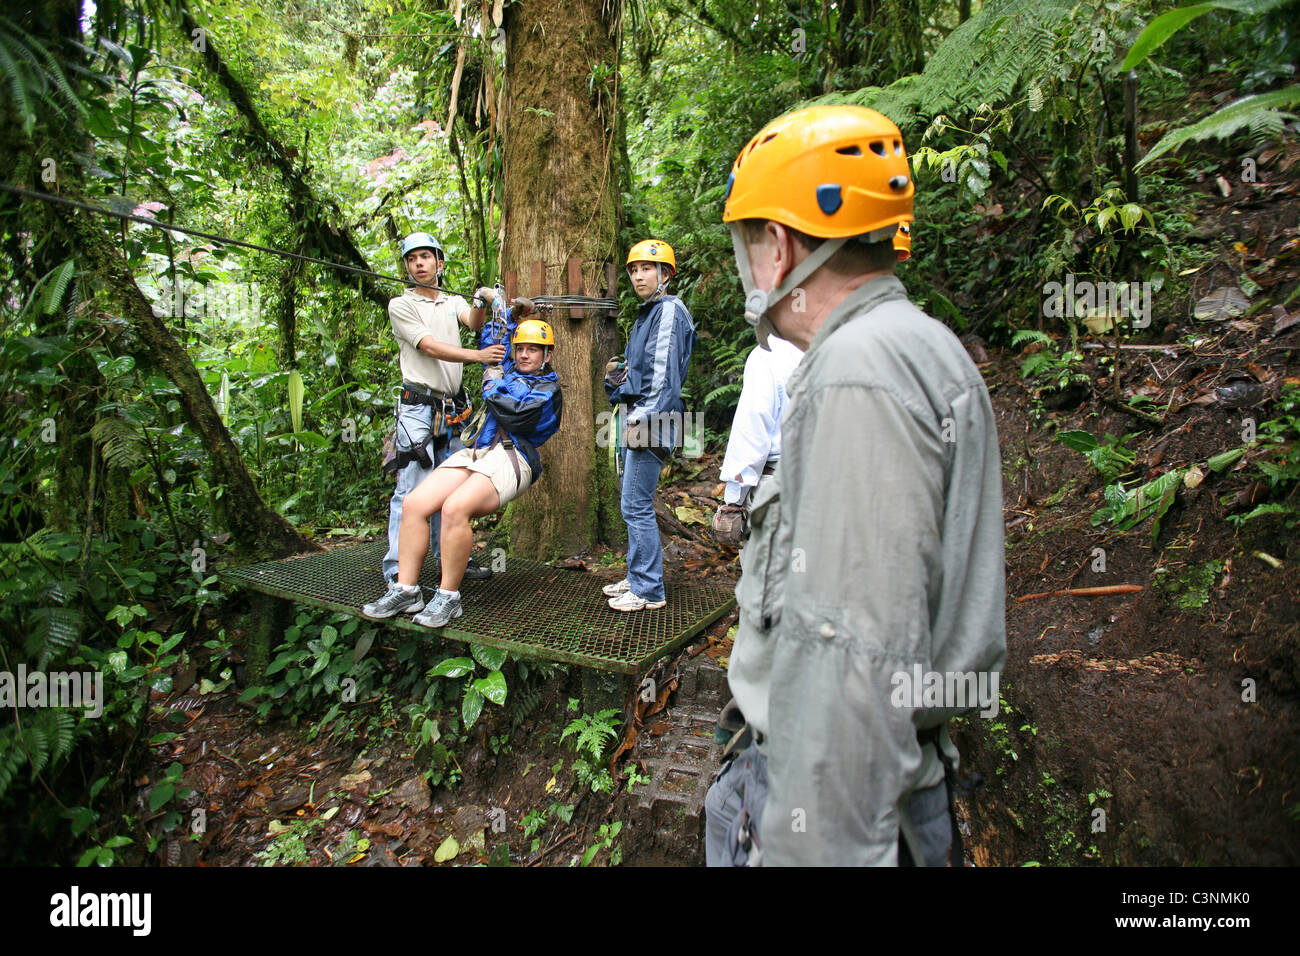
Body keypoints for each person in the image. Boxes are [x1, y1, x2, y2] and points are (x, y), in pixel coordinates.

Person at [704, 105, 1006, 866]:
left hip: (835, 808)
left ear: (779, 246)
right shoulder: (917, 347)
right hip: (891, 792)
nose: (747, 268)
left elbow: (853, 657)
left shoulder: (856, 374)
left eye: (746, 242)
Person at [363, 318, 563, 627]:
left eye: (533, 350)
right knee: (414, 504)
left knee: (454, 507)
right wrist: (504, 312)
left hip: (514, 457)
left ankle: (448, 597)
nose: (524, 355)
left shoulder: (548, 389)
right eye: (520, 348)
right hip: (479, 452)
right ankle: (406, 589)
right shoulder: (507, 369)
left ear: (547, 355)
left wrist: (493, 383)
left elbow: (516, 413)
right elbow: (491, 339)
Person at [382, 232, 501, 585]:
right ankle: (398, 572)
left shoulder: (450, 301)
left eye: (425, 257)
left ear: (440, 263)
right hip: (418, 408)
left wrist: (481, 299)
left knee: (447, 489)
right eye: (412, 259)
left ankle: (447, 562)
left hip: (452, 409)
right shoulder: (400, 305)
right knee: (412, 489)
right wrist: (478, 356)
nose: (419, 264)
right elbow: (429, 346)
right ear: (406, 267)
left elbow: (474, 322)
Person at [603, 239, 698, 612]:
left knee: (636, 505)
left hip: (651, 421)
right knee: (632, 505)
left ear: (666, 274)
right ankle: (638, 574)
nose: (638, 275)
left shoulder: (669, 311)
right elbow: (644, 369)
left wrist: (640, 416)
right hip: (639, 416)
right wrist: (618, 378)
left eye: (647, 268)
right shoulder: (649, 312)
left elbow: (663, 376)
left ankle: (648, 590)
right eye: (634, 269)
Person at [710, 334, 802, 545]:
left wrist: (733, 501)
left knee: (767, 572)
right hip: (836, 482)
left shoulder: (768, 353)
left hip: (780, 485)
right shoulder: (841, 346)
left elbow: (752, 428)